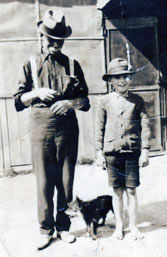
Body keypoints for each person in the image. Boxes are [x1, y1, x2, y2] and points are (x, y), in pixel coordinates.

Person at [14, 9, 90, 249]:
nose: (55, 45)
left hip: (68, 128)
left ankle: (64, 227)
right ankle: (46, 229)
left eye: (60, 41)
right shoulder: (29, 64)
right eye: (51, 40)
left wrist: (70, 102)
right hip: (41, 128)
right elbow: (17, 100)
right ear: (41, 37)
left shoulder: (72, 64)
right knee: (45, 182)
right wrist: (35, 93)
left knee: (66, 181)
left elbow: (85, 101)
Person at [95, 58, 150, 240]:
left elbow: (145, 126)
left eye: (125, 76)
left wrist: (146, 150)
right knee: (117, 191)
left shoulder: (137, 101)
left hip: (132, 152)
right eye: (117, 77)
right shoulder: (104, 101)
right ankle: (119, 226)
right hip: (112, 153)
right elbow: (99, 127)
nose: (122, 80)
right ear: (111, 81)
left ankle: (133, 226)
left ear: (130, 79)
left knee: (132, 190)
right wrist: (99, 152)